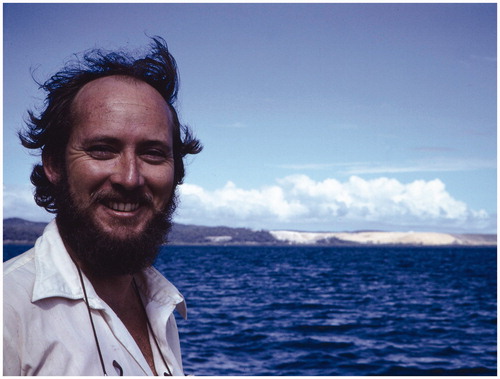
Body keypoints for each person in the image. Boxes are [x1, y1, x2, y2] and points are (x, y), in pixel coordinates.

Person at [3, 37, 202, 376]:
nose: (130, 177)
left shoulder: (160, 305)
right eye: (102, 150)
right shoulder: (9, 313)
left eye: (153, 153)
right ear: (53, 165)